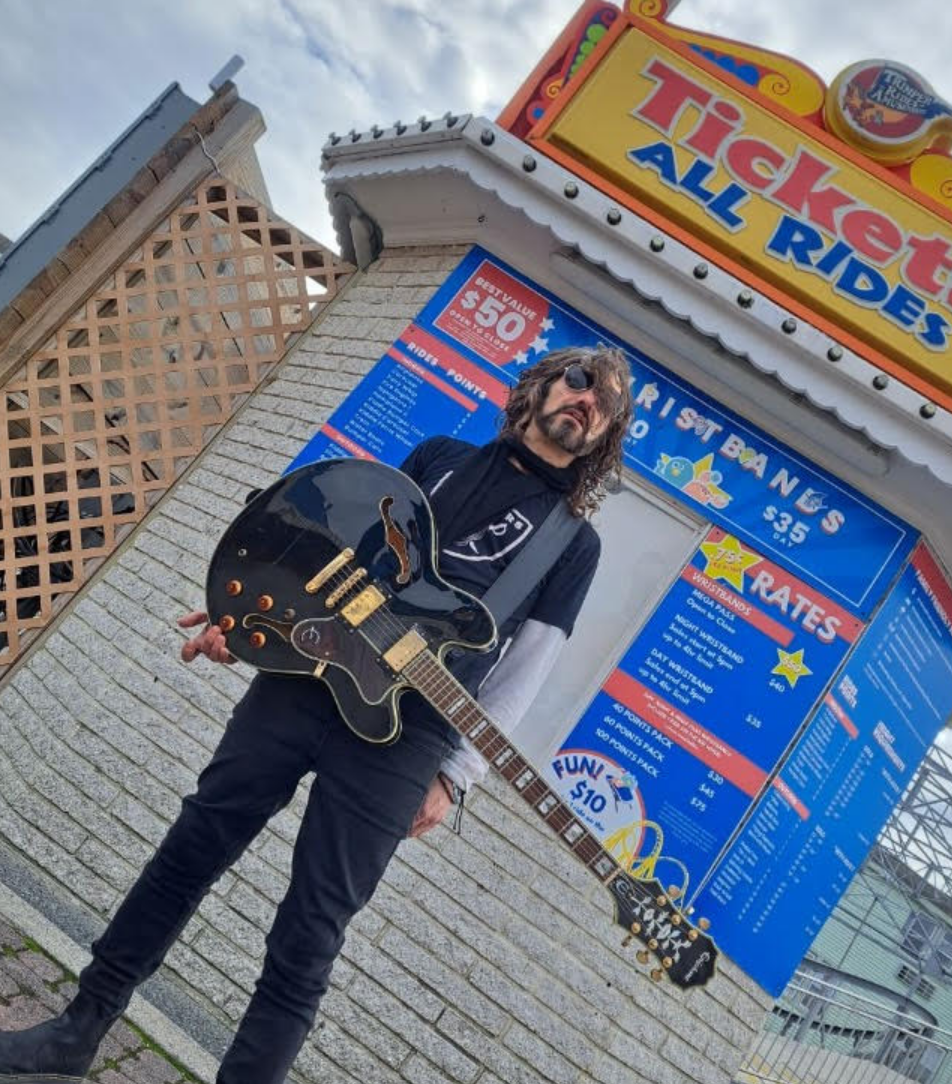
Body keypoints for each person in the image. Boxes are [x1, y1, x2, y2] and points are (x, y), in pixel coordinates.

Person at [0, 345, 633, 1084]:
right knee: (192, 845)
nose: (589, 401)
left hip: (411, 734)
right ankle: (78, 1031)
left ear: (603, 437)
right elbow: (335, 559)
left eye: (608, 406)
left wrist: (456, 776)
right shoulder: (439, 457)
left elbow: (528, 669)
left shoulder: (572, 543)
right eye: (582, 381)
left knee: (311, 928)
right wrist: (243, 618)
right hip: (308, 679)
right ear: (544, 385)